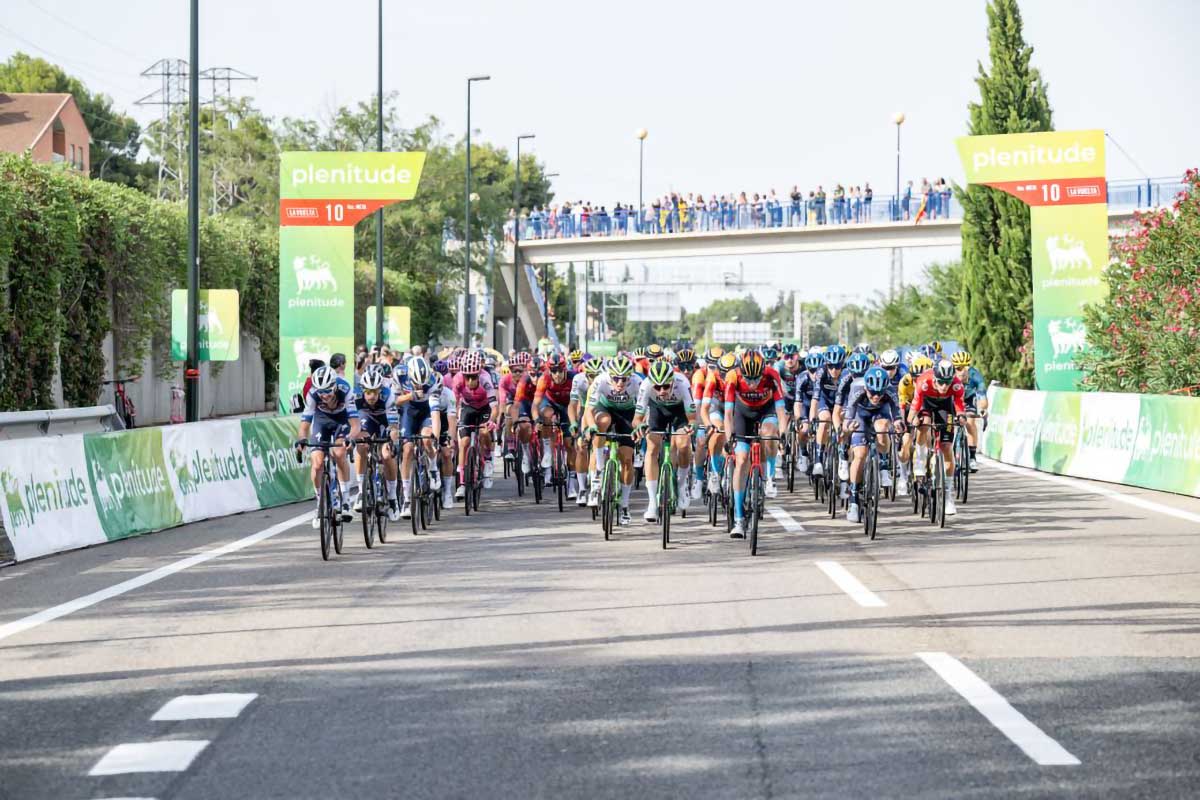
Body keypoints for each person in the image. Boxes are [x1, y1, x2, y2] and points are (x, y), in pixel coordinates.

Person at [723, 350, 787, 539]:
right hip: (742, 413)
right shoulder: (732, 376)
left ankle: (768, 476)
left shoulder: (771, 375)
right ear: (741, 371)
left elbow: (781, 411)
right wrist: (729, 438)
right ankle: (739, 520)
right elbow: (728, 413)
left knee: (769, 434)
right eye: (748, 379)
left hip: (766, 410)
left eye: (756, 378)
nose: (752, 383)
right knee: (742, 460)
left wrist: (782, 435)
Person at [632, 359, 697, 522]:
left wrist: (691, 427)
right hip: (657, 411)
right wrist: (640, 427)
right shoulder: (645, 385)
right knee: (652, 447)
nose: (661, 391)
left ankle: (682, 485)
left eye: (666, 386)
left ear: (672, 381)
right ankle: (652, 502)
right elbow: (637, 418)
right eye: (657, 387)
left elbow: (692, 418)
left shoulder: (682, 382)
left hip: (679, 411)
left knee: (683, 443)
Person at [296, 365, 361, 528]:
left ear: (334, 386)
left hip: (341, 420)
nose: (324, 396)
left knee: (339, 453)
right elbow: (304, 424)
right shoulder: (313, 394)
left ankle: (345, 500)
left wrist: (351, 438)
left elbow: (355, 424)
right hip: (321, 420)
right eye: (321, 392)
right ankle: (320, 502)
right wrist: (302, 439)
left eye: (328, 391)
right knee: (317, 463)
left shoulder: (345, 389)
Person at [584, 355, 643, 525]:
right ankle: (598, 476)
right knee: (601, 423)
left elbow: (644, 409)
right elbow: (589, 409)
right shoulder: (600, 380)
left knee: (626, 459)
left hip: (628, 413)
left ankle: (624, 505)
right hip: (605, 408)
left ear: (629, 377)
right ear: (610, 376)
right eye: (616, 378)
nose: (620, 383)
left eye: (624, 379)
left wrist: (640, 426)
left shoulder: (637, 382)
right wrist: (591, 427)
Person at [843, 366, 904, 523]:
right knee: (860, 454)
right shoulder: (856, 387)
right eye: (872, 393)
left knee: (883, 428)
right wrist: (848, 427)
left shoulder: (889, 389)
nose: (876, 396)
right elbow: (848, 416)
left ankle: (884, 467)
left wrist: (898, 423)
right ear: (865, 388)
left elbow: (896, 413)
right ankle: (854, 500)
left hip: (880, 414)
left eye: (880, 393)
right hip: (860, 416)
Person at [909, 359, 966, 516]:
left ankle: (948, 495)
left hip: (945, 408)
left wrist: (961, 417)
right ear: (935, 378)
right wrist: (912, 420)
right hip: (926, 404)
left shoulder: (956, 385)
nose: (944, 386)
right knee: (924, 424)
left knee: (947, 448)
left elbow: (960, 406)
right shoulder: (923, 382)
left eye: (947, 383)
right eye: (941, 382)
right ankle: (920, 459)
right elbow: (914, 408)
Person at [395, 356, 442, 519]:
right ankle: (407, 499)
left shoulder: (433, 381)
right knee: (407, 450)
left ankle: (433, 468)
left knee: (427, 438)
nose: (420, 386)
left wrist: (435, 435)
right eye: (416, 382)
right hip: (408, 411)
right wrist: (411, 395)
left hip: (426, 412)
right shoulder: (399, 374)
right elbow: (394, 401)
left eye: (422, 382)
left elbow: (435, 412)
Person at [353, 366, 401, 521]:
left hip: (384, 420)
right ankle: (361, 491)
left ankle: (393, 498)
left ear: (380, 390)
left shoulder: (388, 395)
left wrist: (392, 441)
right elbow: (353, 422)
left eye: (374, 392)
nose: (371, 396)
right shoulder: (356, 396)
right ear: (363, 391)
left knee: (387, 455)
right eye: (368, 392)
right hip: (365, 417)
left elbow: (393, 426)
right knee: (362, 446)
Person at [453, 351, 500, 497]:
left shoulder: (486, 379)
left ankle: (487, 458)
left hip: (485, 408)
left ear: (479, 373)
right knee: (464, 442)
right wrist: (455, 420)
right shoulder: (458, 380)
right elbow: (454, 404)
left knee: (484, 432)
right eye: (467, 377)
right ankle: (461, 483)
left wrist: (492, 420)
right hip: (468, 408)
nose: (470, 380)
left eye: (474, 376)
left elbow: (495, 407)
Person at [531, 353, 578, 497]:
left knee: (570, 444)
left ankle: (571, 482)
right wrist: (536, 420)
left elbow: (579, 402)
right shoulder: (544, 378)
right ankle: (548, 451)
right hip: (550, 403)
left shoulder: (574, 378)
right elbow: (535, 404)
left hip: (568, 406)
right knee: (546, 415)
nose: (556, 374)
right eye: (553, 371)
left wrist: (577, 421)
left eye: (559, 371)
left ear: (565, 369)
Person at [951, 350, 987, 471]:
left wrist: (983, 409)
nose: (963, 371)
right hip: (953, 399)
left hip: (968, 399)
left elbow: (982, 395)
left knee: (970, 422)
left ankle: (972, 457)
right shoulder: (949, 375)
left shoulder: (975, 376)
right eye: (958, 368)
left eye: (966, 367)